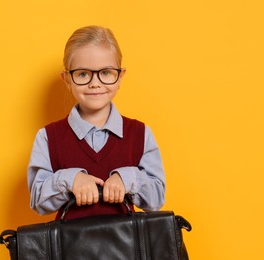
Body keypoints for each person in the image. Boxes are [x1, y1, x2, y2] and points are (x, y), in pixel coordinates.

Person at [27, 25, 166, 220]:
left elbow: (156, 199)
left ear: (120, 77)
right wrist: (69, 179)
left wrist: (128, 179)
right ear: (67, 80)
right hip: (70, 249)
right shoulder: (48, 137)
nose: (95, 83)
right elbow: (38, 202)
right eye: (83, 74)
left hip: (127, 249)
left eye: (106, 73)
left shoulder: (140, 133)